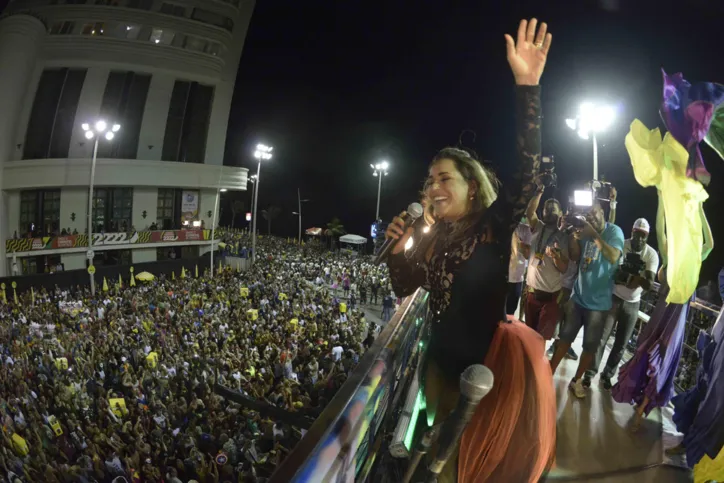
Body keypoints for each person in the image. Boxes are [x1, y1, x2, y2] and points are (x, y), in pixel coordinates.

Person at [385, 18, 555, 482]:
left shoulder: (492, 225)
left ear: (472, 188)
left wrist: (527, 86)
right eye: (430, 179)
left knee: (466, 464)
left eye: (445, 178)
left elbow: (527, 172)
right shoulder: (434, 234)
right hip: (438, 363)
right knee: (439, 451)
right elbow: (404, 286)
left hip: (484, 371)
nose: (433, 187)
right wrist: (401, 248)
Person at [612, 191, 714, 430]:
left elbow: (710, 242)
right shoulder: (670, 255)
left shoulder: (696, 260)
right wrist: (661, 197)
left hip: (676, 319)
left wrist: (699, 208)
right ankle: (638, 402)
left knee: (663, 358)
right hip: (660, 314)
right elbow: (660, 229)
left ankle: (640, 410)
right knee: (646, 353)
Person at [549, 201, 624, 399]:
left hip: (599, 306)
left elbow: (613, 256)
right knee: (564, 339)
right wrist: (574, 238)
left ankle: (576, 381)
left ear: (603, 213)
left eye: (594, 213)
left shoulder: (615, 232)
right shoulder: (584, 232)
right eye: (588, 215)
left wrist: (593, 235)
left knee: (589, 347)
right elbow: (575, 256)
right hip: (578, 296)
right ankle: (548, 374)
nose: (591, 218)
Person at [584, 217, 659, 390]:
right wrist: (632, 277)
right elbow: (612, 273)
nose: (639, 239)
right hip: (613, 296)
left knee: (621, 343)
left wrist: (634, 277)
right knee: (601, 338)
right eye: (636, 234)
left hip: (633, 303)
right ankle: (589, 374)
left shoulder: (651, 254)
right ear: (631, 232)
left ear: (647, 236)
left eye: (643, 235)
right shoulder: (621, 245)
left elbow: (648, 284)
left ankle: (607, 375)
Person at [523, 181, 569, 341]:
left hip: (550, 298)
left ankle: (535, 365)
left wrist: (556, 257)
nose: (548, 211)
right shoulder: (537, 227)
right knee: (528, 335)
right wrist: (539, 191)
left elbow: (564, 268)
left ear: (561, 213)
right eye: (546, 208)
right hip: (531, 293)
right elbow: (529, 212)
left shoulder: (564, 237)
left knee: (540, 339)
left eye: (553, 209)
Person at [506, 220, 531, 316]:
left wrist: (519, 244)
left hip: (515, 279)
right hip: (498, 277)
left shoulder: (524, 229)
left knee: (510, 314)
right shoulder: (498, 225)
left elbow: (527, 255)